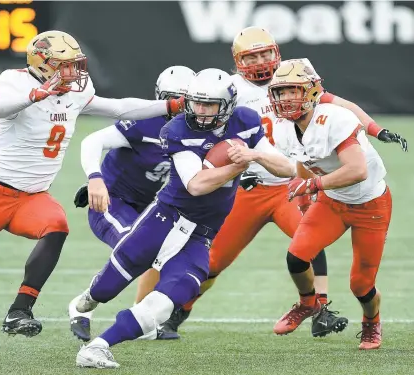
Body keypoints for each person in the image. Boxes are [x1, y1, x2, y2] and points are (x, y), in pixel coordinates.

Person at [0, 30, 185, 355]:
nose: (72, 73)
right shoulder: (15, 82)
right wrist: (36, 95)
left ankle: (20, 310)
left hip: (33, 196)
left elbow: (120, 108)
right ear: (41, 63)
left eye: (74, 65)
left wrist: (168, 105)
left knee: (57, 225)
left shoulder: (77, 92)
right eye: (63, 65)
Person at [156, 26, 406, 340]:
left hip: (292, 184)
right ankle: (180, 311)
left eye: (265, 53)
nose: (261, 61)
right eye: (252, 55)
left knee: (308, 246)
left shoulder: (294, 76)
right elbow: (209, 127)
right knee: (215, 258)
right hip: (252, 184)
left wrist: (375, 130)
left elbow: (338, 105)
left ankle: (320, 307)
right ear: (238, 60)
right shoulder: (231, 89)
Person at [73, 68, 295, 368]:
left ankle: (98, 346)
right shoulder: (177, 129)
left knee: (171, 298)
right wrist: (235, 167)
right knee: (106, 289)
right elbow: (197, 184)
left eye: (209, 105)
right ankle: (83, 303)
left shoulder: (246, 122)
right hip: (164, 220)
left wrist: (255, 156)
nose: (200, 111)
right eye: (196, 103)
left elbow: (288, 168)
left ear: (228, 105)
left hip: (201, 233)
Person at [269, 59, 391, 350]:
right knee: (296, 257)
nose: (285, 99)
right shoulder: (284, 128)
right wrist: (303, 193)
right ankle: (308, 303)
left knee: (361, 285)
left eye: (292, 91)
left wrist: (313, 185)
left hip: (369, 204)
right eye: (281, 92)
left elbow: (356, 170)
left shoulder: (335, 118)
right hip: (332, 201)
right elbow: (304, 157)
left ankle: (371, 321)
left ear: (311, 91)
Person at [69, 66, 196, 341]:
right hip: (112, 201)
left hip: (153, 207)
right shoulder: (148, 122)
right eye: (176, 99)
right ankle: (83, 304)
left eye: (188, 99)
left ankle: (142, 321)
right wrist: (95, 179)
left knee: (175, 256)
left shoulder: (200, 129)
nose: (183, 107)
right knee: (135, 247)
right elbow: (93, 141)